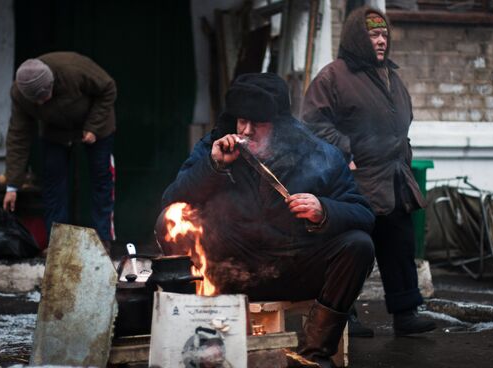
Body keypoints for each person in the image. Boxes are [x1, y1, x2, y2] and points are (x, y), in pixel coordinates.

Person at [158, 73, 375, 367]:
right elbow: (171, 200)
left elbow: (363, 213)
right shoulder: (217, 147)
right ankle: (199, 342)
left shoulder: (317, 154)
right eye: (241, 121)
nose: (245, 131)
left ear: (280, 125)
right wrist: (213, 167)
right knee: (168, 222)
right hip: (230, 272)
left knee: (359, 245)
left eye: (257, 124)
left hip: (294, 267)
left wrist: (324, 209)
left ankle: (314, 354)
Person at [302, 7, 436, 337]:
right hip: (354, 181)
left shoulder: (391, 75)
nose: (380, 41)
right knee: (354, 247)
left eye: (384, 35)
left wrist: (402, 157)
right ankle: (341, 316)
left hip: (393, 179)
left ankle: (405, 313)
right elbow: (313, 125)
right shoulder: (333, 77)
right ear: (357, 39)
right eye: (373, 35)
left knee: (399, 245)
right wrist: (346, 151)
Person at [2, 52, 117, 251]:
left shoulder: (73, 70)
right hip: (54, 130)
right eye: (36, 100)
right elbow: (18, 136)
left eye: (45, 95)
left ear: (52, 83)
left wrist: (93, 126)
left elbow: (108, 88)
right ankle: (58, 245)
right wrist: (12, 185)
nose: (41, 102)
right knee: (53, 183)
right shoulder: (19, 94)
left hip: (96, 124)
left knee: (101, 178)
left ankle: (103, 239)